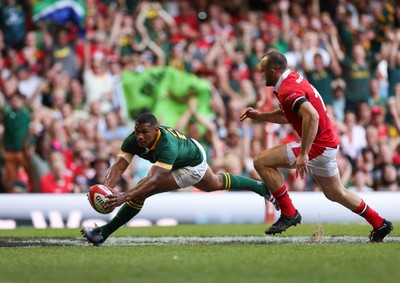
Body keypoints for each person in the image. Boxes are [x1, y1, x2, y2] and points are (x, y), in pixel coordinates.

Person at [239, 50, 393, 242]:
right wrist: (261, 116)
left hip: (318, 146)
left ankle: (289, 212)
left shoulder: (288, 90)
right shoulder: (291, 81)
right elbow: (289, 112)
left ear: (272, 72)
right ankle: (379, 223)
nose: (261, 76)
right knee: (335, 193)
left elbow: (312, 116)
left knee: (261, 162)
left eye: (263, 72)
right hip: (327, 143)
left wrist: (303, 154)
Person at [81, 113, 278, 245]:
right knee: (214, 184)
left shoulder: (166, 146)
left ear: (155, 130)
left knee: (142, 190)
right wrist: (106, 188)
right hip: (189, 150)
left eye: (144, 132)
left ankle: (103, 233)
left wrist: (124, 196)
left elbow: (154, 180)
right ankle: (260, 187)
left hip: (190, 163)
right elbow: (118, 166)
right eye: (137, 131)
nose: (140, 136)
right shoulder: (133, 140)